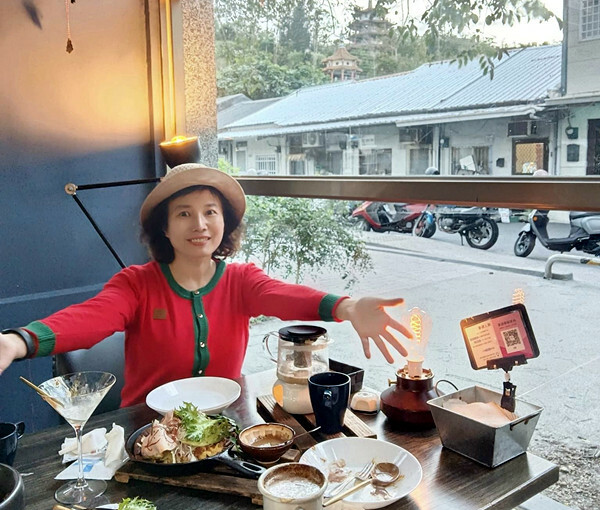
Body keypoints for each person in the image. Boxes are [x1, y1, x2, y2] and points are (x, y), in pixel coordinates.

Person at [0, 164, 412, 405]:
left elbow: (284, 295)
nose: (199, 224)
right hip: (149, 433)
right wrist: (18, 342)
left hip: (224, 426)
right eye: (183, 213)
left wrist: (347, 307)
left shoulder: (241, 281)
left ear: (224, 222)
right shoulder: (137, 285)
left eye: (210, 212)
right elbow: (90, 319)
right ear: (164, 227)